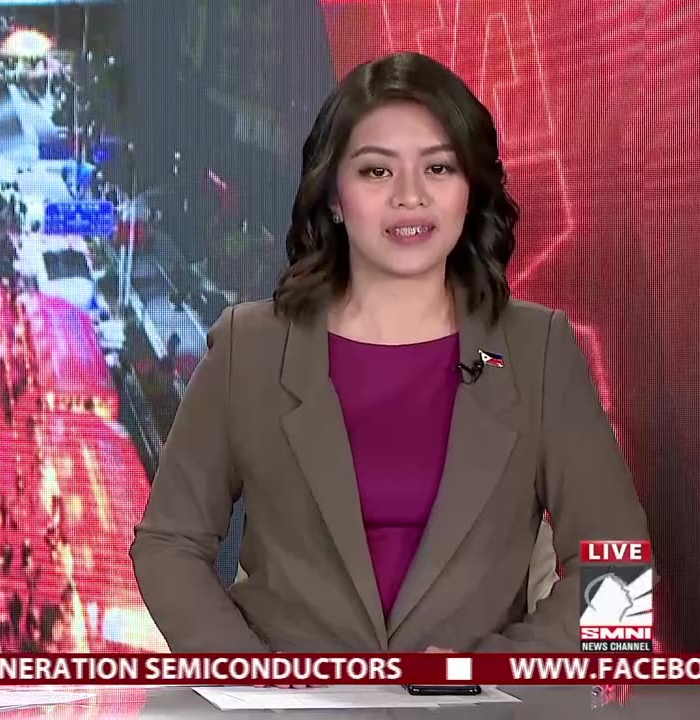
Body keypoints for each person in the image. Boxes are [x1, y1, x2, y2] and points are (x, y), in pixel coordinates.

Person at [130, 52, 649, 653]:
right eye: (377, 172)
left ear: (469, 190)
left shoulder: (538, 351)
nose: (410, 197)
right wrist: (251, 679)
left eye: (439, 169)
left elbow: (623, 574)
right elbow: (168, 544)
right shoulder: (248, 348)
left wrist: (496, 677)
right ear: (332, 197)